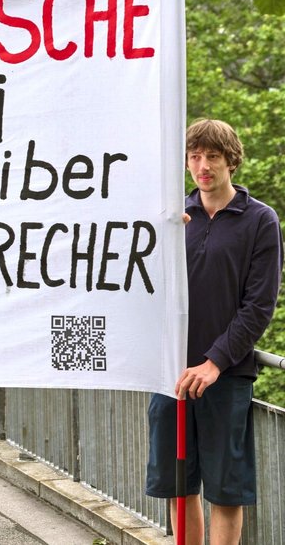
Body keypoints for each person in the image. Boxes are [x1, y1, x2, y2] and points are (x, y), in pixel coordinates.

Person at [145, 119, 282, 545]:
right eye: (195, 156)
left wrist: (214, 362)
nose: (203, 166)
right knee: (178, 486)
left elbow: (258, 306)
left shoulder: (260, 220)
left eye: (213, 157)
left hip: (225, 375)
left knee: (225, 491)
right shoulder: (171, 215)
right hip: (170, 373)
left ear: (232, 161)